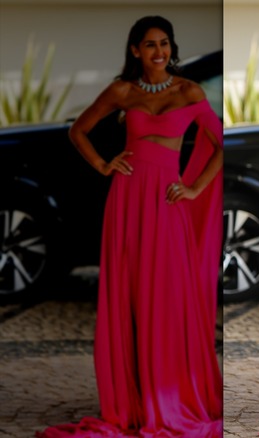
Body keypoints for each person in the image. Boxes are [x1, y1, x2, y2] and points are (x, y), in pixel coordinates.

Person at [37, 15, 223, 437]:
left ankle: (167, 391)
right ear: (136, 50)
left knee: (168, 292)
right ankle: (132, 397)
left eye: (164, 44)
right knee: (129, 291)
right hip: (127, 199)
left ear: (171, 48)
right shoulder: (122, 90)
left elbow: (218, 142)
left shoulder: (188, 90)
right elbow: (78, 130)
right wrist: (104, 165)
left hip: (167, 200)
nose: (159, 52)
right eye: (150, 45)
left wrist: (194, 189)